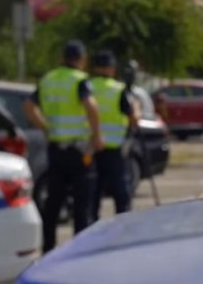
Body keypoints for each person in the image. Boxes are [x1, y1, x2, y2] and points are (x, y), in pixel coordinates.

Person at [23, 40, 104, 253]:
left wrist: (45, 128)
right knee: (81, 205)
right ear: (81, 59)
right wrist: (97, 137)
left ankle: (48, 249)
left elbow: (29, 106)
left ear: (62, 58)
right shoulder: (79, 80)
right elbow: (91, 106)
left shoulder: (48, 79)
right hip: (78, 151)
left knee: (53, 202)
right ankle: (80, 253)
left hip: (56, 150)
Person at [89, 50, 140, 223]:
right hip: (114, 150)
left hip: (91, 148)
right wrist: (136, 107)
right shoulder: (118, 90)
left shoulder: (87, 87)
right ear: (112, 68)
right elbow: (133, 119)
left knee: (93, 195)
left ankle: (92, 228)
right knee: (121, 195)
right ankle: (122, 228)